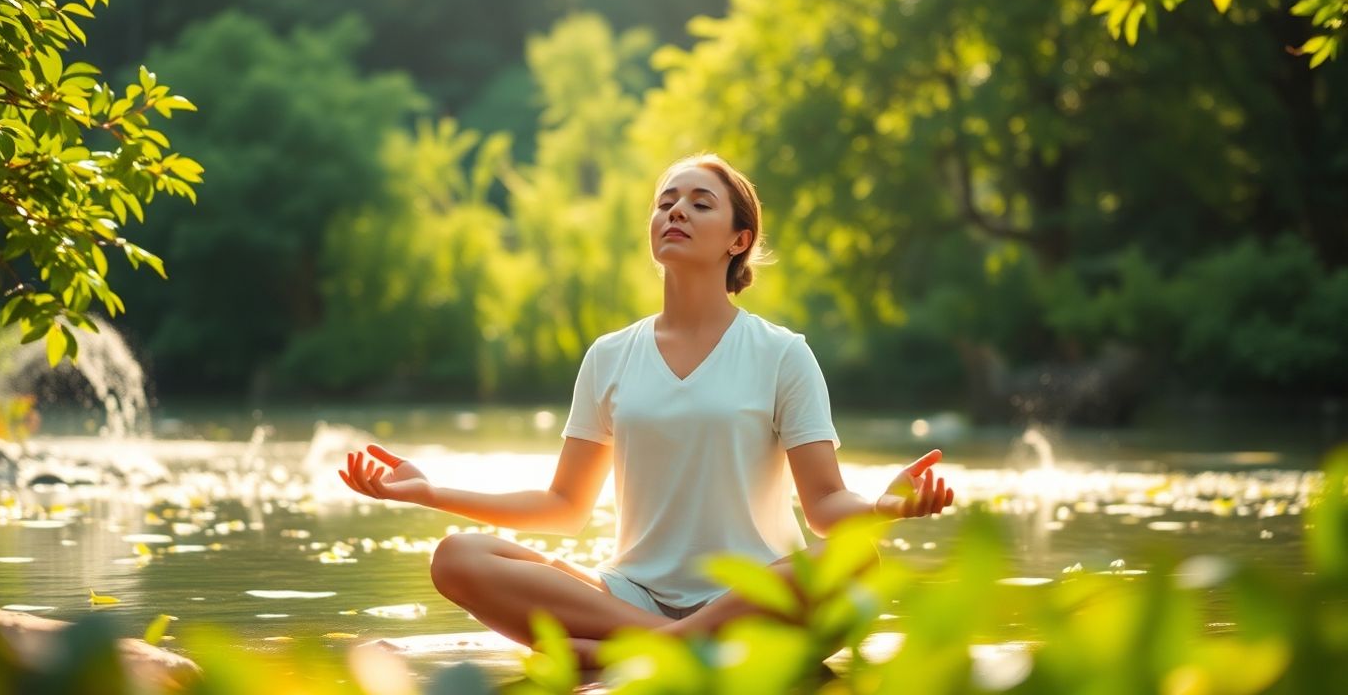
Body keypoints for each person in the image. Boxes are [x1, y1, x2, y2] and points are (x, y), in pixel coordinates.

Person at [338, 154, 954, 661]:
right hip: (629, 597)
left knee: (856, 558)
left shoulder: (782, 354)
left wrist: (880, 506)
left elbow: (824, 508)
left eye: (699, 202)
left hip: (754, 591)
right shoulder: (610, 356)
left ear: (739, 240)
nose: (676, 210)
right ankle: (681, 647)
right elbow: (563, 507)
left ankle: (621, 653)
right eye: (665, 201)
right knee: (456, 556)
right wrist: (430, 492)